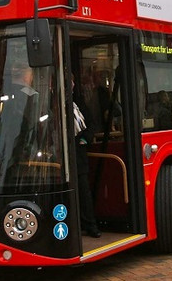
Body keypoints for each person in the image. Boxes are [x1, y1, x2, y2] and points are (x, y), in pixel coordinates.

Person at [73, 76, 100, 238]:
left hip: (78, 154)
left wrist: (84, 139)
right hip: (60, 156)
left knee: (84, 191)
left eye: (72, 82)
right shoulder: (50, 101)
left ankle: (91, 225)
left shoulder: (78, 103)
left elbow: (91, 123)